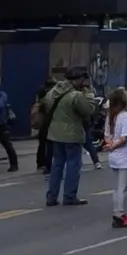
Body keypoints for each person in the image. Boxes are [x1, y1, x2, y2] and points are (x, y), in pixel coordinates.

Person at [40, 66, 97, 206]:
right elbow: (88, 110)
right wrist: (88, 93)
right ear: (79, 80)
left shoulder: (55, 90)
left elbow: (45, 105)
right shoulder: (76, 96)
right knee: (73, 165)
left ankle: (51, 197)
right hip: (72, 134)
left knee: (57, 165)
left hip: (55, 133)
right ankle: (69, 196)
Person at [102, 87, 127, 228]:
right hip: (126, 156)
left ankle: (118, 212)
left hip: (116, 157)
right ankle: (119, 214)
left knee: (117, 187)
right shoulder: (125, 116)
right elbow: (125, 137)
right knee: (122, 187)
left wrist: (110, 144)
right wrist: (113, 146)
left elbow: (107, 135)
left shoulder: (111, 115)